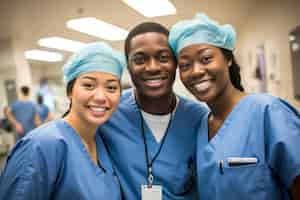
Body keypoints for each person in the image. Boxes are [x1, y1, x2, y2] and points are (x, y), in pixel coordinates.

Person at [169, 13, 300, 200]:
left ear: (228, 59)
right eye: (185, 65)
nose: (196, 71)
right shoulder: (202, 126)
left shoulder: (268, 112)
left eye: (206, 59)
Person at [0, 42, 125, 199]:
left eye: (111, 88)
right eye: (88, 85)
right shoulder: (40, 146)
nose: (100, 97)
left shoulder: (102, 141)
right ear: (70, 91)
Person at [98, 22, 208, 199]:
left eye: (163, 57)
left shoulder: (199, 118)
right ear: (128, 67)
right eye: (140, 60)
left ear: (176, 63)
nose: (152, 67)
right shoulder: (109, 113)